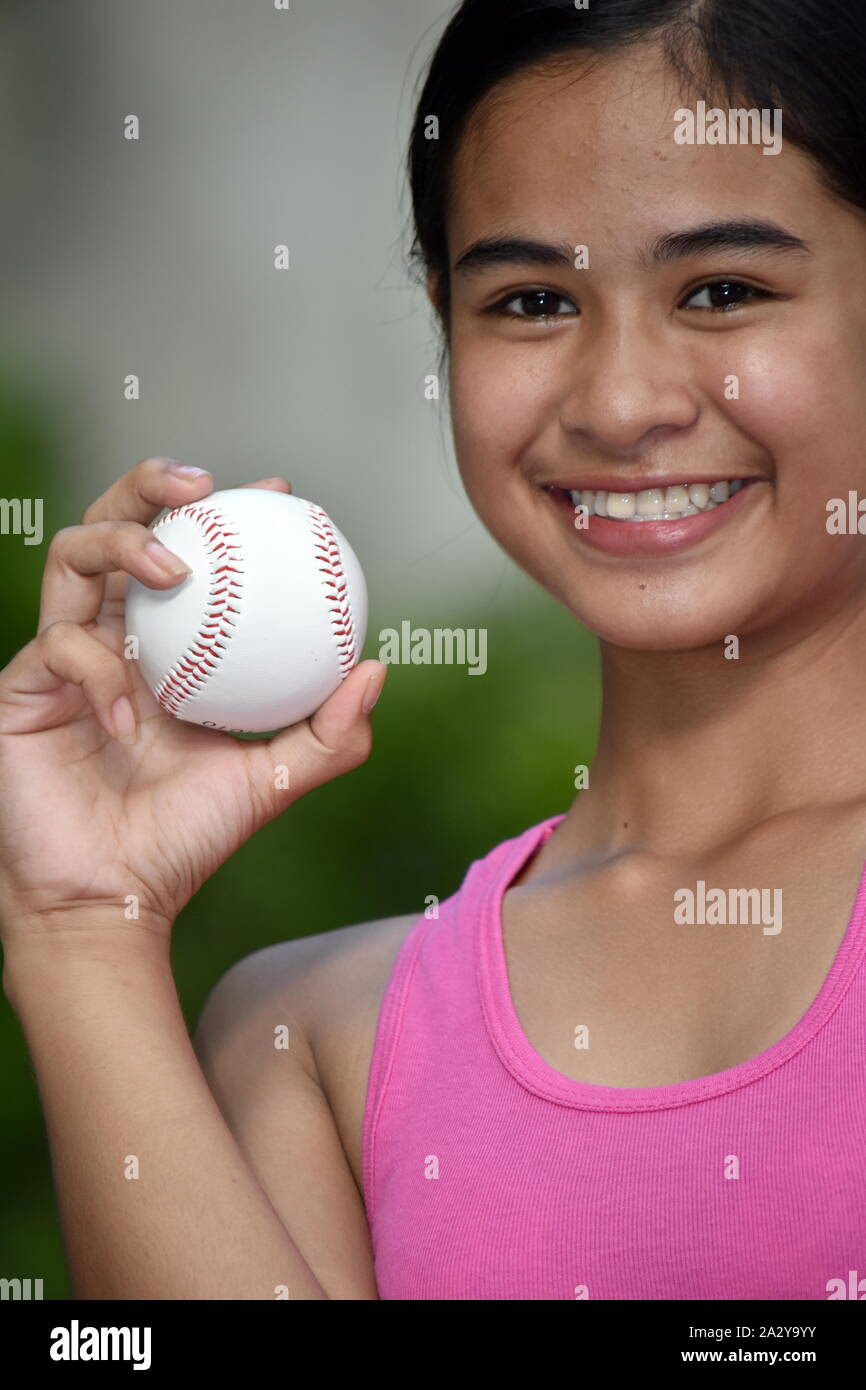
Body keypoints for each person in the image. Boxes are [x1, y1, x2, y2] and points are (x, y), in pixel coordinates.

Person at [3, 0, 866, 1301]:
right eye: (530, 301)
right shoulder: (316, 1037)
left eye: (723, 290)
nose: (621, 402)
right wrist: (80, 935)